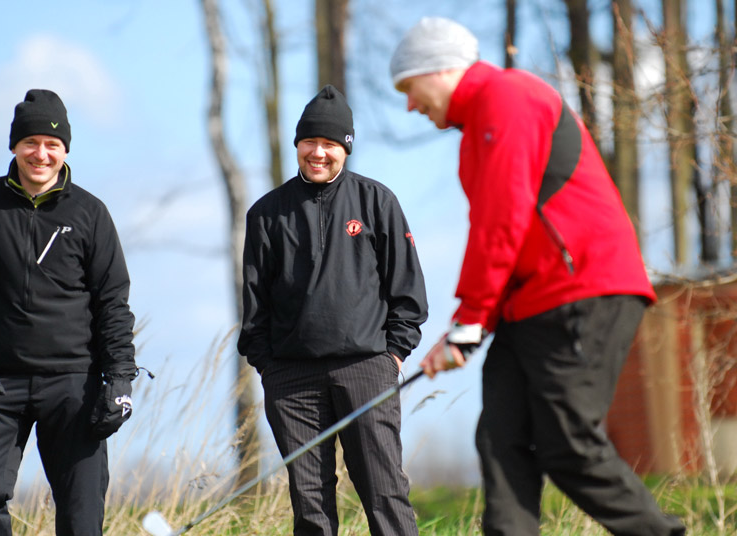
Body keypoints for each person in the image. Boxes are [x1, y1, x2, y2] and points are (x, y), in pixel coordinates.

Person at [389, 17, 686, 536]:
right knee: (503, 438)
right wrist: (472, 323)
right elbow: (494, 233)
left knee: (567, 445)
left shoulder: (508, 97)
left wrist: (471, 320)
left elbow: (506, 217)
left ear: (438, 69)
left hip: (584, 292)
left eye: (409, 88)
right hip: (528, 307)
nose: (411, 106)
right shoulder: (473, 133)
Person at [0, 89, 137, 536]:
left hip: (73, 381)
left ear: (65, 149)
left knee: (82, 514)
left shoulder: (90, 213)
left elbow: (112, 302)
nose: (40, 153)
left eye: (52, 144)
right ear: (14, 146)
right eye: (30, 142)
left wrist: (120, 378)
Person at [238, 84, 428, 536]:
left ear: (346, 147)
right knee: (311, 508)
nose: (318, 153)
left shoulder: (377, 202)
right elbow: (254, 305)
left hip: (366, 369)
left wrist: (392, 357)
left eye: (329, 144)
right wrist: (270, 367)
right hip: (291, 380)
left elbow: (408, 292)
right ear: (297, 145)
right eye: (310, 142)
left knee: (384, 494)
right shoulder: (266, 214)